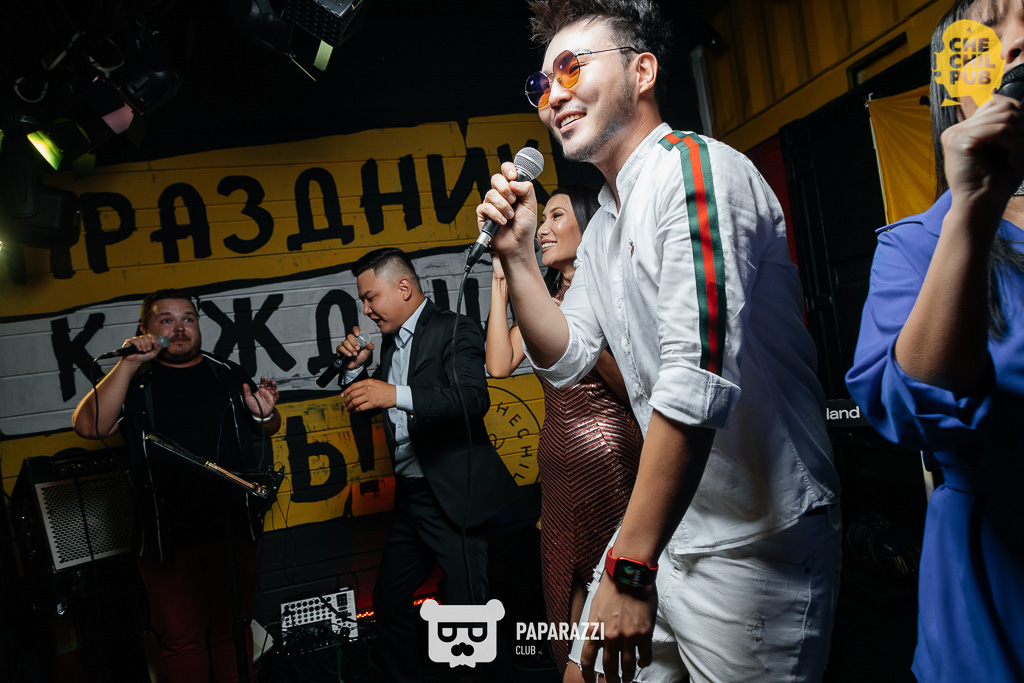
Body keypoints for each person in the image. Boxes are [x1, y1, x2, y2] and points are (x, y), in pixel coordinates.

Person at [476, 1, 842, 681]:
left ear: (641, 72)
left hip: (751, 541)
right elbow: (567, 357)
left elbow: (694, 382)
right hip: (665, 527)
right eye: (541, 84)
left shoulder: (693, 172)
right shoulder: (605, 226)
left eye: (571, 68)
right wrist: (520, 259)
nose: (552, 95)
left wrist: (629, 565)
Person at [846, 1, 1024, 680]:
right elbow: (905, 404)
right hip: (996, 601)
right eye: (985, 46)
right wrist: (974, 207)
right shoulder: (919, 245)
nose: (1016, 49)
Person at [71, 288, 281, 683]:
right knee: (182, 641)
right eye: (166, 320)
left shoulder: (226, 371)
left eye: (188, 319)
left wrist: (264, 416)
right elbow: (88, 426)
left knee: (232, 631)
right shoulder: (135, 381)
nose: (180, 328)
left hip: (231, 530)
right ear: (145, 330)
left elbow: (267, 425)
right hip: (165, 537)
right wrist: (129, 364)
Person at [335, 247, 519, 682]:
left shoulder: (453, 327)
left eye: (370, 297)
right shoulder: (392, 340)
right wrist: (356, 373)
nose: (366, 310)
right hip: (411, 496)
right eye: (363, 301)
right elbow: (378, 406)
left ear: (403, 287)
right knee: (388, 597)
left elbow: (473, 399)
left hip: (453, 494)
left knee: (467, 610)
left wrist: (392, 393)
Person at [486, 185, 642, 672]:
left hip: (606, 454)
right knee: (564, 589)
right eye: (543, 219)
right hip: (556, 462)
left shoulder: (609, 293)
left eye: (557, 216)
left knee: (608, 583)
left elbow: (635, 391)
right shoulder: (548, 301)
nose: (544, 229)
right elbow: (498, 363)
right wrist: (501, 278)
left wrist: (581, 343)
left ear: (587, 226)